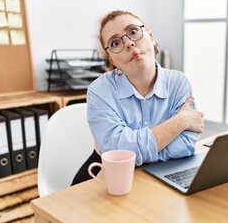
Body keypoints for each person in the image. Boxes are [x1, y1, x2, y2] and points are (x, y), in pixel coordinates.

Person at [71, 10, 204, 185]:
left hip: (160, 177)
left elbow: (186, 145)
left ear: (150, 37)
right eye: (116, 42)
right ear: (111, 58)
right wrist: (181, 121)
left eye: (133, 31)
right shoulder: (99, 90)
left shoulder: (178, 82)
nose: (128, 44)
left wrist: (136, 154)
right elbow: (117, 153)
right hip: (104, 177)